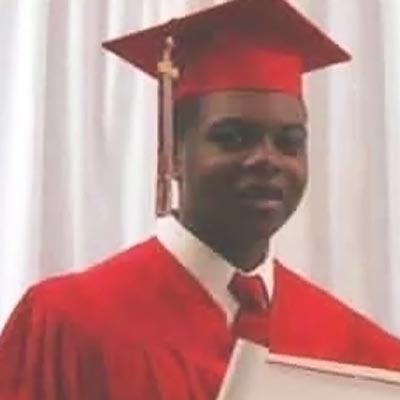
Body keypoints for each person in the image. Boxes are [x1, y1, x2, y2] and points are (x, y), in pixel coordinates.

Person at [1, 0, 400, 399]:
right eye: (232, 137)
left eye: (289, 143)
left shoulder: (363, 356)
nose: (267, 159)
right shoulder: (67, 325)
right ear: (173, 154)